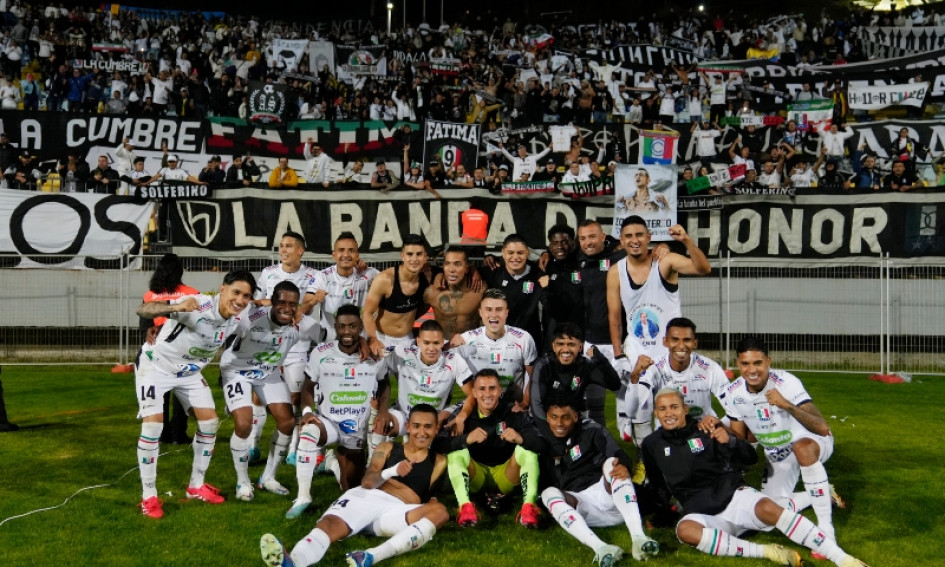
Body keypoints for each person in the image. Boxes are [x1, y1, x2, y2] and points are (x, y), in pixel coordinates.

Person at [642, 389, 868, 567]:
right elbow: (658, 485)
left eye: (674, 407)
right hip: (706, 516)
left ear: (685, 408)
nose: (669, 413)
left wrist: (729, 440)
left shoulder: (707, 428)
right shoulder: (651, 444)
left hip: (734, 499)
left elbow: (749, 457)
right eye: (662, 409)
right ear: (656, 413)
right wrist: (661, 514)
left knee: (771, 509)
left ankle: (843, 559)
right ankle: (768, 551)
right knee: (685, 531)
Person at [261, 404, 449, 567]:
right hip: (367, 497)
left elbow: (429, 497)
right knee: (329, 526)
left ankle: (370, 557)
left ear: (436, 429)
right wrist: (392, 471)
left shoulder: (439, 461)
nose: (422, 432)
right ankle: (293, 562)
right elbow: (367, 482)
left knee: (440, 511)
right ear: (407, 427)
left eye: (428, 427)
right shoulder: (388, 448)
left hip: (396, 512)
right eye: (416, 426)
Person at [134, 269, 256, 518]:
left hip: (188, 373)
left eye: (246, 296)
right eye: (236, 292)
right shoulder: (197, 305)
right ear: (222, 288)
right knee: (153, 428)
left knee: (210, 423)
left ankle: (196, 485)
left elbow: (266, 306)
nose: (241, 300)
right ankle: (149, 497)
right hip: (156, 366)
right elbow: (143, 309)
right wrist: (174, 306)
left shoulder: (238, 317)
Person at [717, 337, 848, 558]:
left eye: (758, 363)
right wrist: (719, 428)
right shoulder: (733, 393)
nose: (752, 370)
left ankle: (826, 529)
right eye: (745, 364)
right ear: (738, 364)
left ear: (768, 361)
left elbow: (822, 427)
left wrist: (786, 404)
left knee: (802, 447)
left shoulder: (787, 382)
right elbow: (742, 439)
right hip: (778, 454)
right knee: (769, 516)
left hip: (812, 442)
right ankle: (821, 492)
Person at [606, 215, 710, 465]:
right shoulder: (615, 272)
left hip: (669, 352)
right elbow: (614, 318)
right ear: (621, 240)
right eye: (628, 236)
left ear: (649, 238)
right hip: (637, 350)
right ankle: (645, 461)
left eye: (639, 235)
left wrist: (686, 241)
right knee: (640, 408)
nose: (634, 240)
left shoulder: (666, 261)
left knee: (671, 407)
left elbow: (703, 269)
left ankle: (682, 458)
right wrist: (619, 354)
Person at [220, 281, 321, 502]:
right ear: (272, 302)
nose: (287, 308)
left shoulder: (301, 324)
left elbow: (326, 337)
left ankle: (268, 477)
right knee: (244, 423)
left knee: (286, 422)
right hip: (237, 371)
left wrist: (362, 343)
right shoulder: (250, 315)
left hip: (268, 372)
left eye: (293, 304)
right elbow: (220, 321)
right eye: (282, 302)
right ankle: (242, 480)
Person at [288, 304, 388, 519]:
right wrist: (306, 411)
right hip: (328, 422)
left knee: (350, 487)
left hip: (356, 428)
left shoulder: (374, 355)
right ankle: (303, 496)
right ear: (335, 327)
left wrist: (383, 411)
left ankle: (332, 461)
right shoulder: (320, 353)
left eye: (352, 326)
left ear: (360, 327)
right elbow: (307, 386)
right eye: (342, 327)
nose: (347, 332)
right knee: (307, 434)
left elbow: (385, 383)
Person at [538, 398, 659, 565]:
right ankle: (601, 548)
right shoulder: (541, 441)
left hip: (610, 497)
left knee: (612, 463)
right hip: (582, 507)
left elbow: (616, 452)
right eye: (554, 417)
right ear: (547, 417)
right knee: (547, 493)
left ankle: (639, 538)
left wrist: (624, 465)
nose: (559, 422)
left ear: (575, 417)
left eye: (565, 417)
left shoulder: (591, 430)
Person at [438, 369, 546, 528]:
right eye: (482, 389)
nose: (487, 394)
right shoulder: (463, 415)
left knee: (526, 451)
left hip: (506, 474)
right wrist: (466, 439)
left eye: (492, 388)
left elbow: (540, 444)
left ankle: (528, 507)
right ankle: (465, 507)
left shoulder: (512, 411)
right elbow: (439, 444)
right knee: (457, 453)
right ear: (474, 392)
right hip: (477, 476)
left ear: (500, 391)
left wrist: (520, 438)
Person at [251, 232, 319, 465]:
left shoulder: (313, 276)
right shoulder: (268, 273)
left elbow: (306, 309)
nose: (283, 249)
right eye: (281, 246)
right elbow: (257, 303)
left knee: (295, 398)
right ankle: (253, 446)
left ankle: (293, 449)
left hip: (298, 347)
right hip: (268, 345)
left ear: (300, 250)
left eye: (289, 246)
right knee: (258, 397)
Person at [372, 319, 473, 453]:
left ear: (443, 342)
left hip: (433, 419)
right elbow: (381, 376)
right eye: (426, 343)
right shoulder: (402, 353)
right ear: (418, 341)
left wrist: (455, 414)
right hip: (404, 414)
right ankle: (371, 465)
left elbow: (473, 393)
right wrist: (382, 411)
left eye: (436, 343)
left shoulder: (454, 360)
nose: (431, 348)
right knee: (381, 424)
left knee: (423, 456)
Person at [449, 289, 537, 428]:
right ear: (480, 313)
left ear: (506, 312)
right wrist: (449, 344)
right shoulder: (466, 339)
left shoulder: (523, 339)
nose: (494, 315)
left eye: (499, 309)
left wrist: (525, 403)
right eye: (488, 309)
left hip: (512, 406)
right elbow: (437, 360)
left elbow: (534, 376)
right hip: (478, 405)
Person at [139, 254, 199, 445]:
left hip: (158, 350)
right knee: (182, 394)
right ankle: (178, 434)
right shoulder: (192, 293)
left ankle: (163, 434)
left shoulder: (150, 295)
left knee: (161, 394)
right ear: (180, 271)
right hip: (182, 348)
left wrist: (148, 334)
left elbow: (145, 324)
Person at [529, 323, 621, 423]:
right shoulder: (543, 366)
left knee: (599, 433)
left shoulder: (585, 366)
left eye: (571, 344)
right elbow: (537, 406)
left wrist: (601, 359)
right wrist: (553, 434)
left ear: (580, 347)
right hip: (546, 425)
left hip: (573, 425)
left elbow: (615, 384)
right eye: (560, 344)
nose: (566, 349)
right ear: (553, 346)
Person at [362, 235, 432, 356]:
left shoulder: (428, 278)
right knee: (380, 376)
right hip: (382, 339)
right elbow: (367, 312)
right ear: (402, 256)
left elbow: (426, 305)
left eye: (419, 254)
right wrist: (373, 338)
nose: (414, 259)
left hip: (407, 340)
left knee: (408, 376)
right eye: (410, 254)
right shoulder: (384, 279)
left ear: (425, 257)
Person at [303, 232, 379, 341]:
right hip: (331, 341)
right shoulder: (322, 277)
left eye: (351, 250)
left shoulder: (369, 274)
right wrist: (313, 300)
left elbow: (391, 288)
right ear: (334, 255)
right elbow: (303, 312)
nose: (346, 254)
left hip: (361, 342)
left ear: (357, 255)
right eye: (341, 250)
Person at [479, 234, 544, 347]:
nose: (515, 257)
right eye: (510, 253)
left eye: (520, 253)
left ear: (527, 252)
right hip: (500, 341)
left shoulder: (538, 273)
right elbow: (467, 271)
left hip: (530, 340)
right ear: (503, 253)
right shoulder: (493, 272)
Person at [421, 247, 484, 341]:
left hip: (471, 345)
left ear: (467, 268)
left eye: (457, 264)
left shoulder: (480, 289)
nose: (451, 269)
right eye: (447, 264)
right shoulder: (432, 290)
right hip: (443, 346)